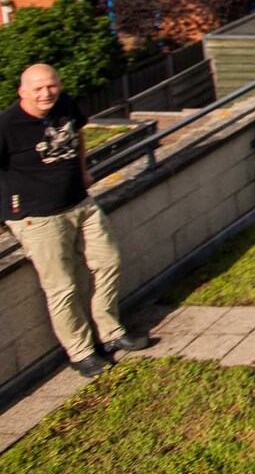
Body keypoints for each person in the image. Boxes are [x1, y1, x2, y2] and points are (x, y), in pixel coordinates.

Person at [0, 64, 151, 377]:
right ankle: (81, 352)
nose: (46, 94)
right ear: (22, 91)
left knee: (109, 261)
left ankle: (110, 333)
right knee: (63, 287)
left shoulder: (65, 103)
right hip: (37, 217)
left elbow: (78, 133)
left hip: (80, 202)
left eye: (51, 86)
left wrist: (83, 169)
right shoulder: (7, 125)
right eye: (38, 89)